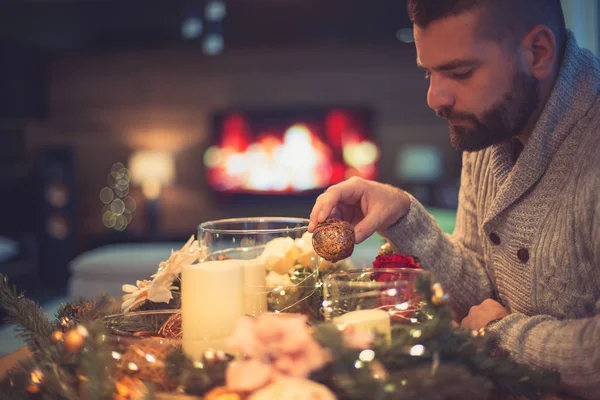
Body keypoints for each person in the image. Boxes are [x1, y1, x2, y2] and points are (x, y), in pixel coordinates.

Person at [308, 0, 600, 397]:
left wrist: (499, 335)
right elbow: (479, 287)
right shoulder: (491, 127)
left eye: (459, 73)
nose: (435, 98)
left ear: (538, 52)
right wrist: (401, 214)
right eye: (428, 72)